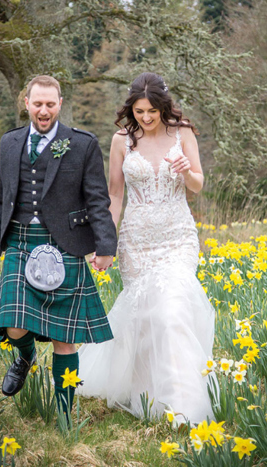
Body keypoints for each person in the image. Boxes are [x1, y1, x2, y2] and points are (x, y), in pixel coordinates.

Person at [77, 72, 216, 425]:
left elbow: (198, 185)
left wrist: (186, 171)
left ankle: (183, 405)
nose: (147, 118)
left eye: (153, 110)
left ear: (163, 106)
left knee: (172, 311)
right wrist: (104, 241)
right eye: (140, 111)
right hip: (136, 241)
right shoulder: (121, 141)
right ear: (131, 109)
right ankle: (146, 396)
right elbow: (114, 195)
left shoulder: (182, 132)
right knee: (145, 318)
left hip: (177, 237)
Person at [0, 75, 117, 420]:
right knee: (13, 325)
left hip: (65, 245)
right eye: (37, 103)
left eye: (50, 104)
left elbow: (98, 200)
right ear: (26, 102)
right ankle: (24, 357)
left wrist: (105, 245)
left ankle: (66, 415)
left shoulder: (82, 144)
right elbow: (1, 201)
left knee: (64, 338)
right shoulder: (9, 143)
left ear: (60, 103)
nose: (44, 111)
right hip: (21, 243)